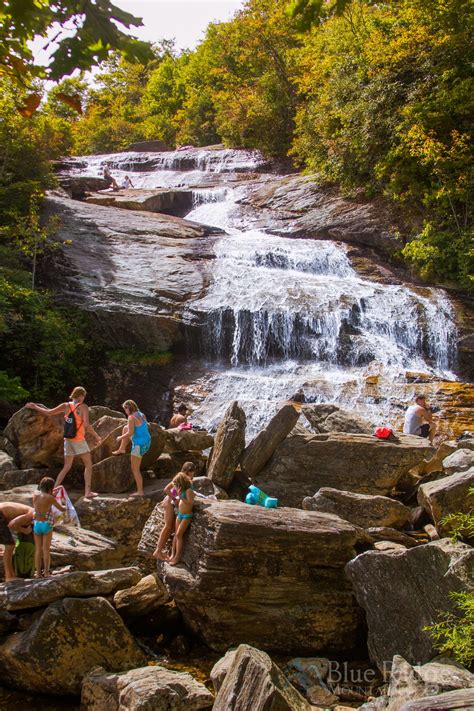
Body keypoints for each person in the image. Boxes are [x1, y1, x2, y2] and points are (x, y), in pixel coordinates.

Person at [26, 386, 101, 499]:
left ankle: (52, 490)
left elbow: (49, 412)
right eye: (84, 396)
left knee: (66, 467)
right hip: (79, 439)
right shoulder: (84, 407)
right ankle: (87, 492)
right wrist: (96, 436)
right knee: (88, 465)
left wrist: (34, 406)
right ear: (81, 396)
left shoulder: (65, 405)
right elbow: (86, 425)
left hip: (68, 439)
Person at [152, 461, 197, 560]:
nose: (193, 473)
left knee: (172, 528)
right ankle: (158, 551)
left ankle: (163, 551)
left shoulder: (186, 480)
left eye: (193, 471)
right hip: (170, 502)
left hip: (174, 503)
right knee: (168, 526)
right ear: (187, 471)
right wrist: (175, 499)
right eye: (192, 471)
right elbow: (166, 489)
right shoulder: (180, 478)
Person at [112, 400, 151, 497]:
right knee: (125, 428)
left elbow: (130, 433)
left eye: (125, 409)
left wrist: (120, 438)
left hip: (139, 445)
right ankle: (122, 449)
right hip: (147, 442)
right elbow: (146, 425)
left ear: (129, 408)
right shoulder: (141, 414)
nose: (125, 411)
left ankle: (140, 491)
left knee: (135, 469)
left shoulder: (131, 417)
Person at [32, 477, 66, 578]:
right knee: (46, 549)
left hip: (37, 524)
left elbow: (42, 496)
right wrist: (66, 505)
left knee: (38, 549)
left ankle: (38, 573)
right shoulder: (50, 498)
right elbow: (61, 509)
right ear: (51, 487)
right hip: (46, 524)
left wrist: (52, 493)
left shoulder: (35, 494)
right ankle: (46, 572)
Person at [0, 502, 34, 582]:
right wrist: (24, 530)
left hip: (2, 514)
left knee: (10, 545)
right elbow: (12, 525)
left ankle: (11, 575)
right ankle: (9, 577)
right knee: (10, 546)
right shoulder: (32, 514)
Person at [167, 472, 194, 566]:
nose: (175, 486)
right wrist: (175, 496)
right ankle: (172, 554)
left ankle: (177, 557)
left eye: (176, 484)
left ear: (181, 483)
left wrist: (181, 496)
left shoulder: (188, 491)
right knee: (175, 534)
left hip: (187, 516)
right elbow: (173, 495)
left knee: (178, 535)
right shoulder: (180, 490)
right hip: (180, 514)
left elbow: (190, 503)